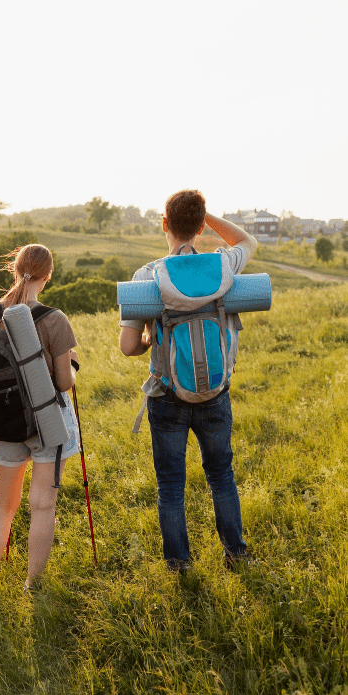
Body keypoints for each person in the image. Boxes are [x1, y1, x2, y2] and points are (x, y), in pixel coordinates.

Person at [119, 190, 257, 572]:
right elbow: (249, 240)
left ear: (164, 224)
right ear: (200, 227)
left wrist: (151, 337)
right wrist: (207, 216)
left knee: (170, 487)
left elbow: (128, 346)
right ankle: (236, 555)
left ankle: (179, 565)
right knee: (221, 476)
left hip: (166, 394)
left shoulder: (146, 276)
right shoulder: (223, 266)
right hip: (215, 392)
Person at [0, 244, 80, 595]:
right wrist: (73, 365)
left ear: (14, 269)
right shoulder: (55, 318)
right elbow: (64, 383)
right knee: (43, 504)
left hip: (4, 419)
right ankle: (32, 587)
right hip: (47, 422)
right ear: (48, 276)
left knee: (2, 505)